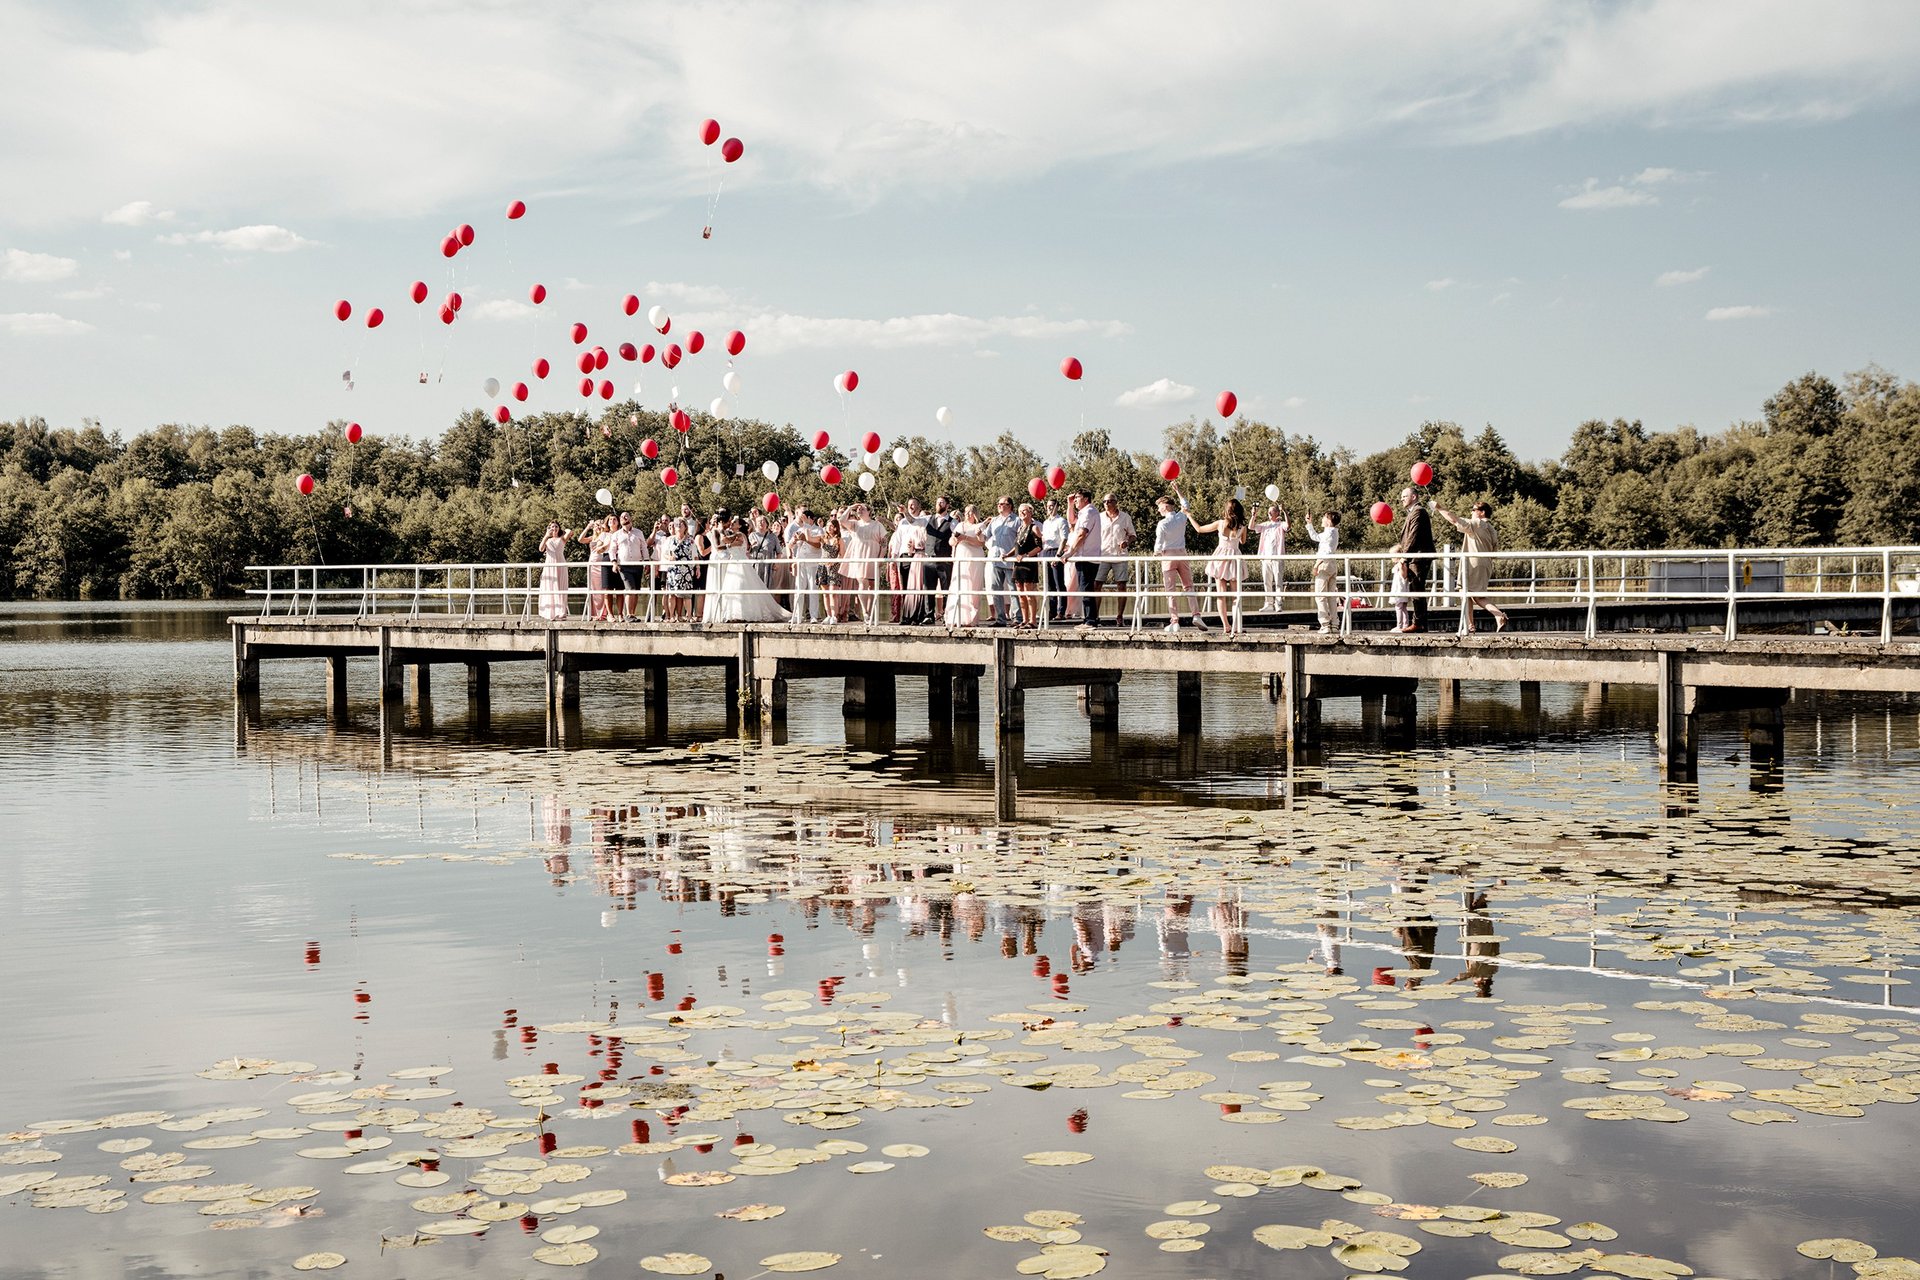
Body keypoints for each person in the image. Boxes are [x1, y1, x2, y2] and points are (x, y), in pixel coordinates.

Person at [1434, 500, 1510, 632]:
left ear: (1482, 512)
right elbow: (1494, 551)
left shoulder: (1476, 523)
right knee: (1476, 596)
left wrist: (1439, 508)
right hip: (1486, 564)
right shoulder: (1492, 529)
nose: (1471, 512)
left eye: (1474, 509)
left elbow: (1454, 520)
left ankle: (1477, 623)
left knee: (1467, 593)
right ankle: (1488, 619)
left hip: (1473, 564)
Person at [704, 508, 790, 623]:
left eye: (734, 522)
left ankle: (742, 613)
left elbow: (725, 540)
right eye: (731, 521)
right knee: (733, 588)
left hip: (739, 563)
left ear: (739, 526)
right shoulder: (735, 534)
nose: (732, 523)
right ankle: (733, 613)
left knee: (740, 587)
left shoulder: (740, 535)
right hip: (733, 563)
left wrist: (718, 532)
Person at [1190, 497, 1248, 634]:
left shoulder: (1220, 524)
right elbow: (1243, 542)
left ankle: (1226, 626)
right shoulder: (1242, 527)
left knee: (1221, 595)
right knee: (1236, 595)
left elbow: (1199, 529)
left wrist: (1189, 516)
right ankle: (1236, 625)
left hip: (1220, 558)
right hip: (1234, 558)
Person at [1154, 489, 1205, 631]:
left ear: (1165, 506)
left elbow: (1159, 542)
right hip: (1182, 554)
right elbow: (1186, 504)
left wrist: (1156, 553)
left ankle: (1175, 621)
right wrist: (1178, 491)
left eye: (1159, 507)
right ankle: (1196, 615)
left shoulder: (1163, 523)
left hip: (1168, 555)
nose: (1158, 510)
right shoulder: (1181, 517)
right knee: (1188, 586)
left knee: (1170, 590)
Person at [1393, 486, 1436, 633]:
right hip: (1416, 556)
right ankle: (1421, 623)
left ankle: (1418, 623)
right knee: (1416, 589)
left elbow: (1413, 536)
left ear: (1413, 497)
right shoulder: (1414, 512)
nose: (1401, 499)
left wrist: (1404, 556)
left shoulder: (1418, 512)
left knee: (1417, 589)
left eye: (1404, 496)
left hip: (1418, 557)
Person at [1062, 490, 1103, 626]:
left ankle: (1090, 621)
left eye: (1077, 498)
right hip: (1084, 557)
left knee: (1086, 589)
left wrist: (1070, 552)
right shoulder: (1084, 513)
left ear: (1086, 499)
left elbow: (1081, 534)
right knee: (1085, 588)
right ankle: (1089, 619)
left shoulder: (1088, 512)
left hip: (1087, 556)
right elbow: (1071, 520)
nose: (1075, 500)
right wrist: (1070, 504)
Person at [944, 503, 988, 626]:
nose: (968, 514)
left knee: (973, 585)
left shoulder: (979, 526)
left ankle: (971, 618)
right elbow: (951, 541)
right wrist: (955, 539)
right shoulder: (960, 525)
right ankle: (956, 616)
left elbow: (981, 543)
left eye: (970, 512)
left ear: (975, 514)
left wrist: (965, 538)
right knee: (960, 583)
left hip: (974, 556)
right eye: (966, 511)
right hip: (961, 555)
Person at [1096, 492, 1135, 624]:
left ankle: (1119, 616)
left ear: (1116, 502)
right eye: (1104, 501)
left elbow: (1133, 535)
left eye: (1110, 501)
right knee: (1097, 584)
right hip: (1102, 555)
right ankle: (1095, 616)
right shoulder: (1099, 517)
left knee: (1121, 585)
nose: (1107, 504)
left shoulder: (1125, 517)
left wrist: (1127, 542)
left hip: (1120, 555)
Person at [984, 496, 1020, 625]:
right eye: (998, 504)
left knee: (1013, 590)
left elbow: (1019, 541)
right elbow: (985, 537)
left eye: (1002, 504)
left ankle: (1017, 618)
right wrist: (978, 532)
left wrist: (1011, 554)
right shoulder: (994, 521)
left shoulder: (1017, 520)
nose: (999, 505)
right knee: (995, 589)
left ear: (1009, 506)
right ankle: (1000, 618)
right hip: (996, 560)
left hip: (1010, 561)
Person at [789, 506, 824, 624]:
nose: (802, 520)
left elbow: (818, 545)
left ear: (810, 518)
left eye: (805, 517)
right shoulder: (799, 530)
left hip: (813, 563)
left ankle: (814, 616)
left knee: (813, 589)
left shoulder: (818, 530)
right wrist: (794, 541)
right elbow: (790, 546)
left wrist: (806, 538)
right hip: (801, 562)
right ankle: (797, 615)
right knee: (799, 589)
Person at [1010, 501, 1043, 626]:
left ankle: (1032, 621)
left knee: (1029, 592)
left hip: (1029, 563)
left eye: (1024, 510)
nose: (1021, 513)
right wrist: (1007, 554)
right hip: (1018, 564)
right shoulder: (1019, 528)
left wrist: (1026, 555)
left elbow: (1039, 546)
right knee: (1020, 593)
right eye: (1020, 511)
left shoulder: (1034, 527)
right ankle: (1024, 620)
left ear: (1030, 512)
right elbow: (1017, 546)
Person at [612, 512, 649, 622]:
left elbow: (644, 547)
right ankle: (628, 614)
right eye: (622, 517)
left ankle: (633, 614)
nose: (624, 517)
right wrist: (614, 562)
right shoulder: (617, 535)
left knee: (636, 590)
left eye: (626, 515)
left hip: (637, 565)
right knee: (630, 589)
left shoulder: (638, 532)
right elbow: (612, 549)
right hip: (624, 566)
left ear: (630, 518)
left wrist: (647, 562)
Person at [1253, 503, 1290, 611]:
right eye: (1268, 511)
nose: (1269, 513)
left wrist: (1285, 511)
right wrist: (1253, 515)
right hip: (1266, 557)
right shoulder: (1265, 525)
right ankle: (1268, 603)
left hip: (1277, 557)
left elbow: (1288, 526)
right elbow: (1251, 526)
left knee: (1278, 581)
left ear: (1277, 513)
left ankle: (1278, 604)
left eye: (1271, 511)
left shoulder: (1281, 524)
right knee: (1266, 581)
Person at [1310, 511, 1340, 633]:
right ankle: (1335, 624)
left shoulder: (1329, 533)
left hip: (1324, 564)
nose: (1322, 519)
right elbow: (1316, 537)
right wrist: (1309, 524)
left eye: (1324, 517)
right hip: (1332, 564)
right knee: (1331, 596)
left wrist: (1316, 565)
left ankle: (1325, 624)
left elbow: (1325, 552)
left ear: (1328, 520)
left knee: (1320, 596)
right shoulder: (1333, 532)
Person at [662, 518, 698, 621]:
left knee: (687, 595)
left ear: (685, 527)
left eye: (681, 524)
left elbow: (695, 555)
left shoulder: (690, 540)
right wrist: (670, 558)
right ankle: (672, 616)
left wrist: (697, 567)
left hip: (686, 570)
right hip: (673, 570)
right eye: (677, 524)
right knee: (672, 594)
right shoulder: (670, 540)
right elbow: (664, 553)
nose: (679, 525)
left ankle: (689, 616)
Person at [923, 497, 955, 611]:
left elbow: (958, 535)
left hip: (945, 560)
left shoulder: (953, 522)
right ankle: (929, 615)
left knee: (946, 589)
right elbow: (913, 521)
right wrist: (905, 512)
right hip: (930, 559)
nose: (938, 504)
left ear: (947, 505)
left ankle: (946, 613)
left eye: (941, 502)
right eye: (937, 502)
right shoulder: (928, 519)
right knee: (928, 589)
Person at [1040, 498, 1069, 621]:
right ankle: (1051, 611)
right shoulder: (1046, 522)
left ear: (1057, 506)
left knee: (1058, 582)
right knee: (1049, 583)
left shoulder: (1061, 521)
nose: (1049, 508)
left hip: (1056, 551)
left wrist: (1058, 555)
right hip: (1046, 551)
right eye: (1048, 506)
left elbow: (1064, 539)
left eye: (1052, 505)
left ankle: (1061, 611)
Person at [538, 521, 572, 620]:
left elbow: (569, 531)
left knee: (561, 587)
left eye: (556, 526)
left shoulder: (562, 538)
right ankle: (550, 612)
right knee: (550, 587)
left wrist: (562, 531)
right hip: (550, 564)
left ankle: (561, 612)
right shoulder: (547, 540)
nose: (554, 528)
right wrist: (546, 535)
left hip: (560, 564)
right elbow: (541, 549)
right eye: (552, 527)